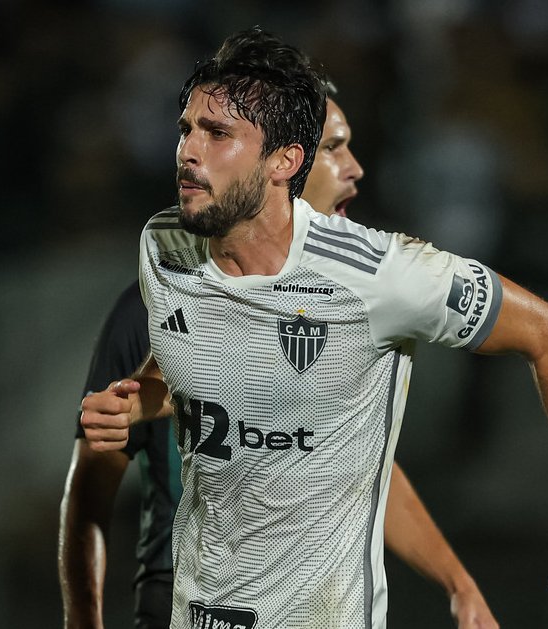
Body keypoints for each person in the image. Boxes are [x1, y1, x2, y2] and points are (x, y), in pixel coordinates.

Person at [81, 28, 548, 629]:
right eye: (186, 129)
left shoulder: (377, 274)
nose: (187, 150)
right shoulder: (164, 246)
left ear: (285, 161)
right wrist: (136, 404)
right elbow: (202, 367)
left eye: (217, 133)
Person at [59, 84, 499, 627]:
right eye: (333, 148)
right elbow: (90, 492)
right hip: (184, 600)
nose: (354, 168)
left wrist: (457, 583)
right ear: (286, 163)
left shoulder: (342, 298)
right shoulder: (163, 296)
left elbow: (363, 470)